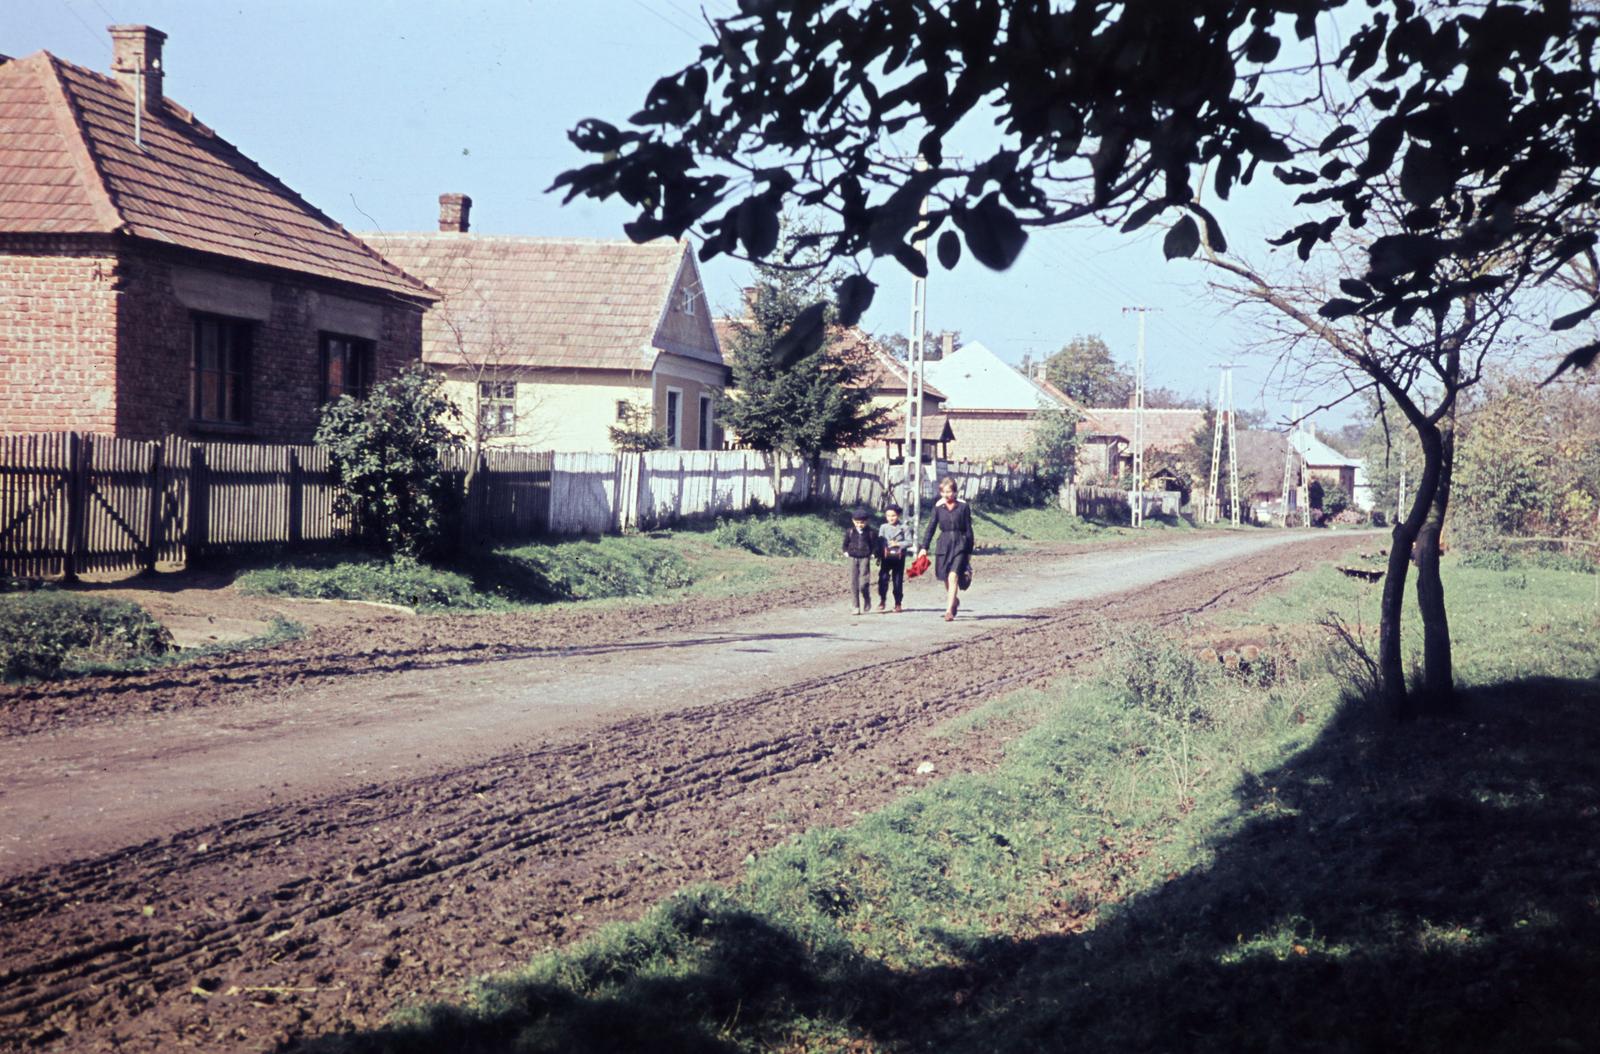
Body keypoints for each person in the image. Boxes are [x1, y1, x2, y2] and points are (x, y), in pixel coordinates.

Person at [917, 476, 974, 622]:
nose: (946, 495)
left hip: (960, 543)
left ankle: (948, 611)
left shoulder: (963, 507)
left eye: (949, 492)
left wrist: (969, 551)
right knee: (945, 577)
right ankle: (954, 601)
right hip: (944, 544)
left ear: (955, 492)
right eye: (943, 492)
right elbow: (931, 527)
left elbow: (968, 529)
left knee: (953, 576)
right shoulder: (938, 507)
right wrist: (924, 548)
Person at [842, 506, 878, 615]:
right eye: (857, 522)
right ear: (853, 521)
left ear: (866, 521)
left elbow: (874, 545)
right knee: (853, 582)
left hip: (865, 558)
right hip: (852, 557)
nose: (859, 525)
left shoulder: (871, 532)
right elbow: (845, 544)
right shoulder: (850, 532)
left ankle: (866, 598)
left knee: (863, 583)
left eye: (862, 522)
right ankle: (855, 606)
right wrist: (845, 551)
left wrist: (873, 554)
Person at [876, 503, 911, 613]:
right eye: (888, 516)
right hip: (886, 557)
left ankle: (898, 603)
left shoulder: (904, 528)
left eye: (893, 515)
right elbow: (880, 540)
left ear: (898, 515)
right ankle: (882, 600)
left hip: (899, 558)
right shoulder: (883, 527)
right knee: (883, 578)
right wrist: (883, 546)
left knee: (897, 580)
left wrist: (898, 544)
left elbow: (909, 542)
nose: (891, 518)